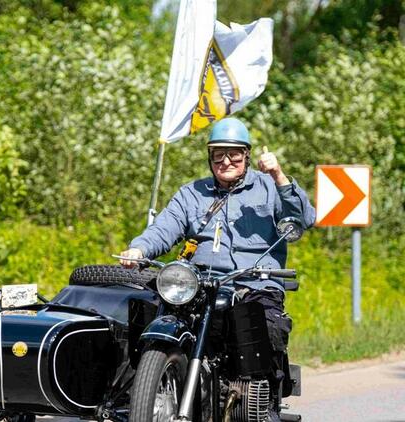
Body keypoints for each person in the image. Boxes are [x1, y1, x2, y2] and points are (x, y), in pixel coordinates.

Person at [119, 117, 315, 421]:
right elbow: (164, 228)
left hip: (255, 285)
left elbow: (303, 218)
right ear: (210, 157)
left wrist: (278, 174)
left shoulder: (268, 187)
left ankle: (266, 407)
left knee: (265, 329)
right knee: (146, 315)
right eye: (218, 154)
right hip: (200, 285)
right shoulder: (192, 193)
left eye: (234, 154)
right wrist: (139, 249)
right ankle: (143, 390)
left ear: (246, 156)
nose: (226, 161)